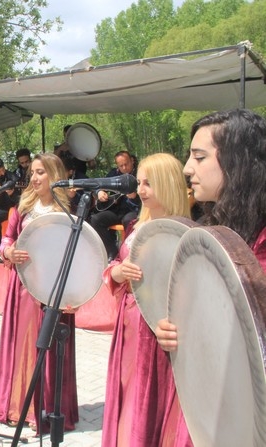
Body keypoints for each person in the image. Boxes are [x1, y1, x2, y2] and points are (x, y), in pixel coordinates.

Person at [154, 109, 266, 445]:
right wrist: (173, 332)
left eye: (199, 157)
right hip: (200, 403)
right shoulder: (208, 231)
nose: (187, 168)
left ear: (238, 161)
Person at [101, 153, 191, 447]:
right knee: (127, 393)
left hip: (156, 331)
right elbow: (114, 265)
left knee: (148, 398)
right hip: (127, 325)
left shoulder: (186, 233)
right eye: (139, 182)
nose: (140, 189)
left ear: (167, 184)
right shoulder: (135, 227)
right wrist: (117, 273)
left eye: (148, 183)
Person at [0, 153, 79, 433]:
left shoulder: (69, 212)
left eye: (41, 172)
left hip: (55, 289)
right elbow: (6, 239)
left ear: (55, 174)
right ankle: (20, 405)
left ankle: (50, 407)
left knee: (51, 348)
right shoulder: (22, 208)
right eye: (33, 173)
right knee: (25, 345)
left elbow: (76, 253)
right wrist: (8, 251)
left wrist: (74, 293)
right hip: (24, 287)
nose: (35, 178)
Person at [90, 150, 141, 260]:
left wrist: (135, 197)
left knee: (129, 221)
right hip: (116, 211)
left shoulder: (139, 174)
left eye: (126, 164)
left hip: (133, 210)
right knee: (96, 219)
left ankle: (129, 253)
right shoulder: (114, 174)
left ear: (132, 161)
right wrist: (99, 193)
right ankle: (112, 251)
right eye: (120, 165)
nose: (124, 167)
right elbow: (98, 186)